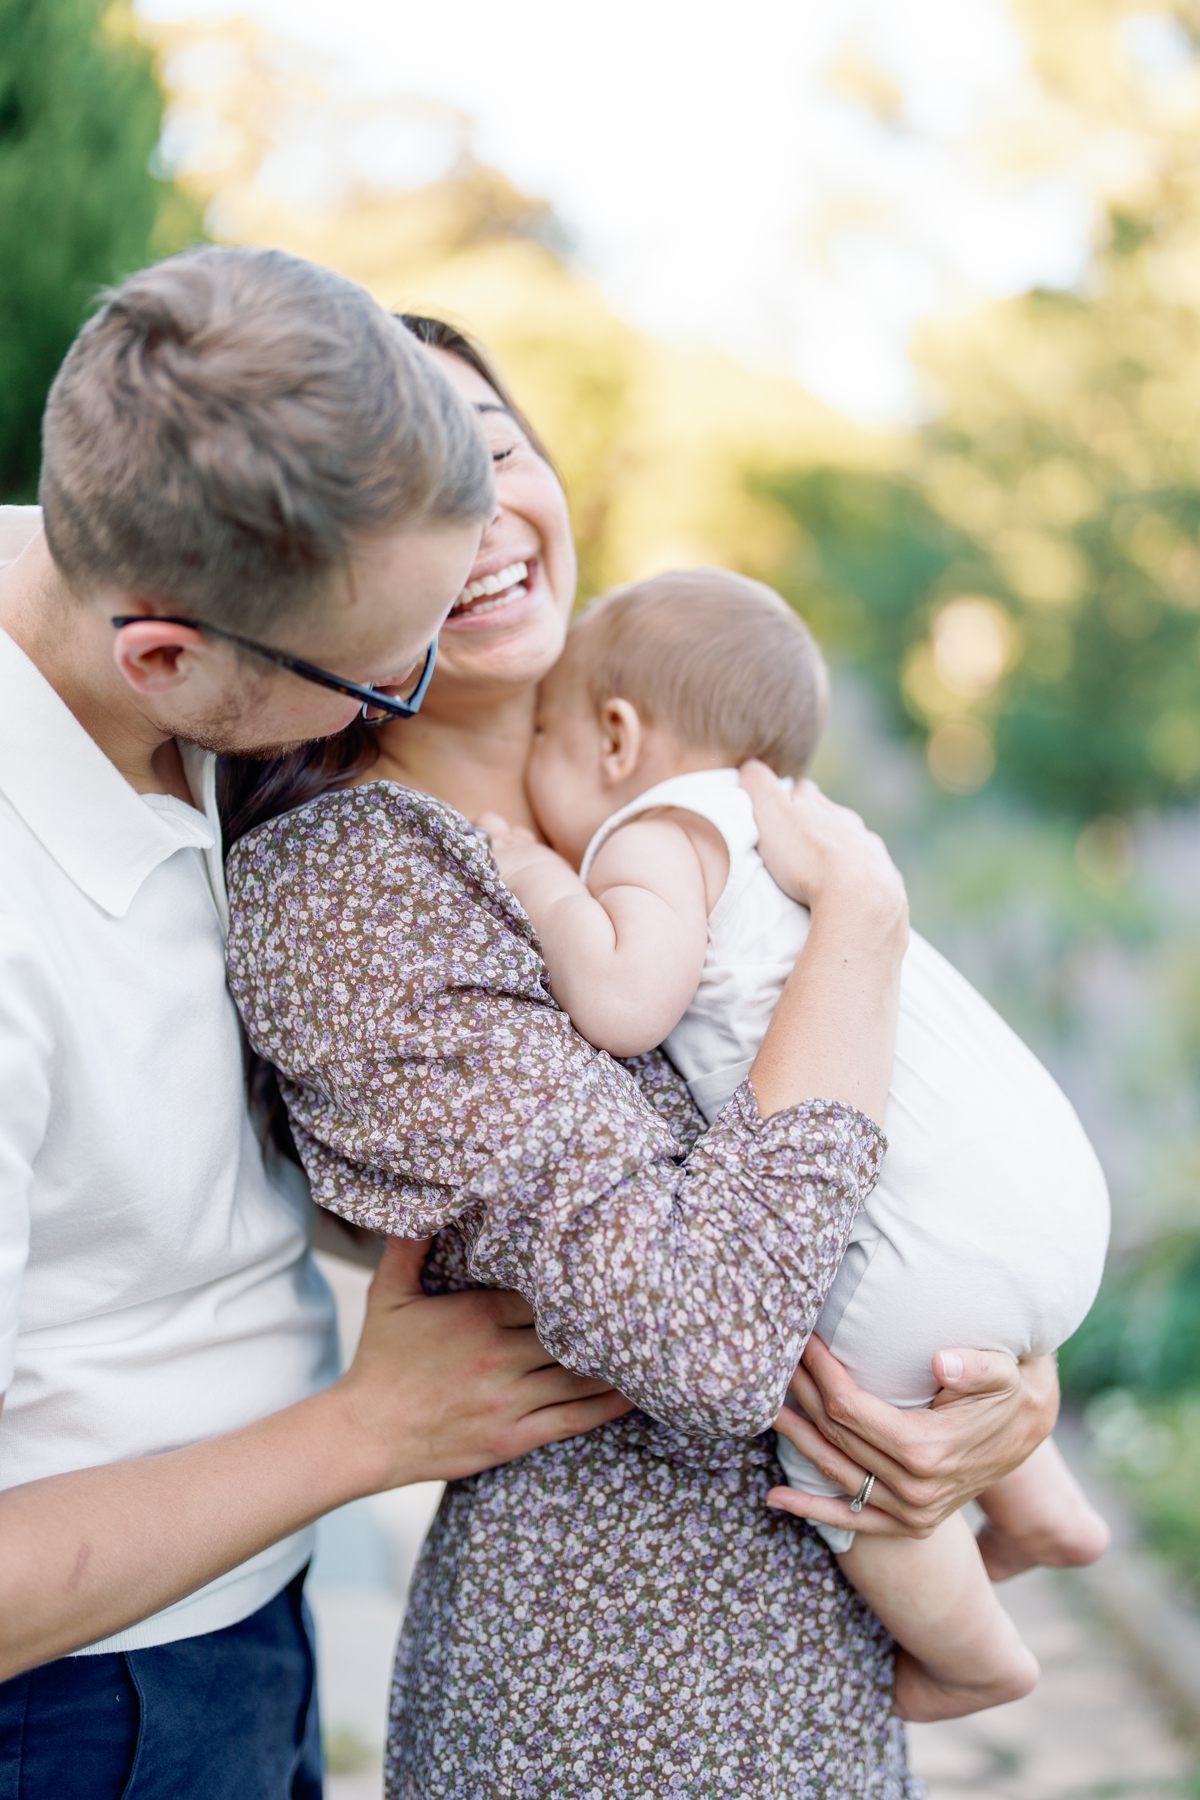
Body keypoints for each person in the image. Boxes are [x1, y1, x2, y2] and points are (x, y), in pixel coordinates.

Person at [220, 316, 1061, 1798]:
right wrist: (860, 923)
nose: (470, 525)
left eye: (488, 457)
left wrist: (1005, 1384)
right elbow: (705, 1332)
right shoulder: (358, 879)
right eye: (390, 496)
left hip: (817, 1666)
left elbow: (885, 1150)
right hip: (620, 1690)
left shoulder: (649, 791)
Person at [0, 251, 632, 1800]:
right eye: (377, 673)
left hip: (244, 1615)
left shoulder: (196, 569)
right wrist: (372, 1432)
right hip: (83, 1703)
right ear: (166, 653)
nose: (406, 697)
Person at [480, 565, 1113, 1725]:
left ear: (617, 735)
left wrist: (531, 874)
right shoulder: (801, 832)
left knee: (840, 1443)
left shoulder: (654, 832)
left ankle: (975, 1653)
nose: (530, 763)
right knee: (949, 1327)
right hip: (1044, 1187)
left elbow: (625, 998)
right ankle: (1044, 1511)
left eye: (542, 732)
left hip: (932, 1243)